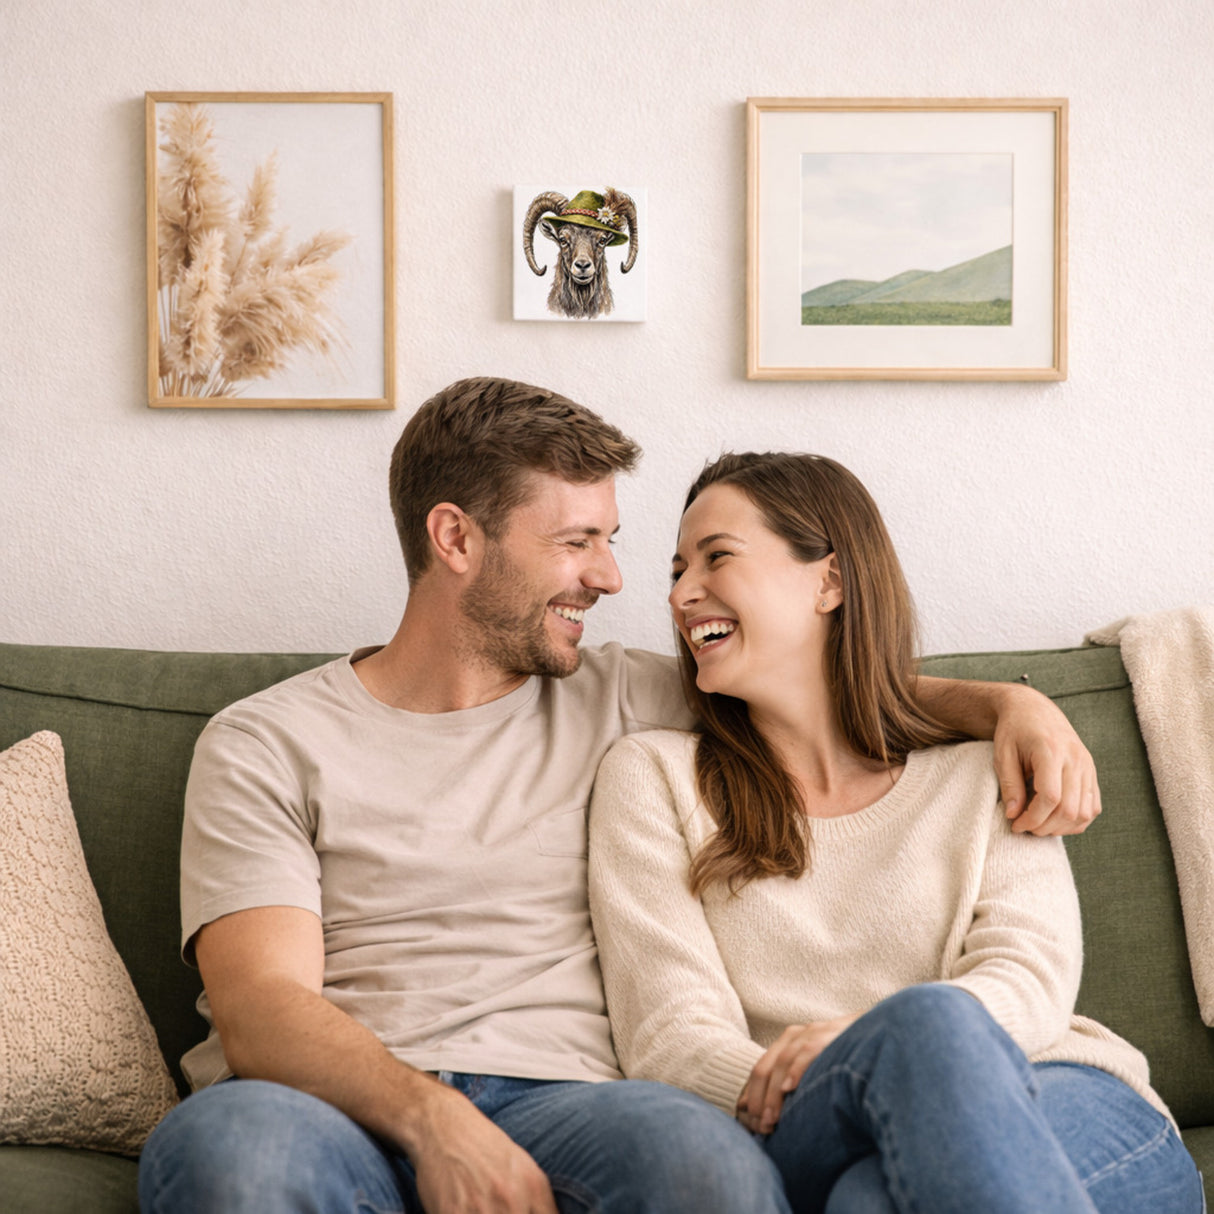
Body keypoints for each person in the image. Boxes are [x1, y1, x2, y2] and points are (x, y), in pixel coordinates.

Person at [139, 381, 1103, 1214]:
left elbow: (821, 681)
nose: (612, 577)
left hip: (571, 1101)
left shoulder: (627, 693)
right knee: (235, 1153)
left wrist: (1008, 703)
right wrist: (436, 1123)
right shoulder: (265, 739)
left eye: (614, 542)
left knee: (703, 1167)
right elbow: (262, 1006)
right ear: (455, 538)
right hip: (325, 1102)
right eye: (577, 542)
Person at [587, 450, 1203, 1214]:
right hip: (802, 1117)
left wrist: (890, 1042)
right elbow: (671, 1035)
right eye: (676, 572)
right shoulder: (653, 778)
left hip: (1056, 1089)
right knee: (921, 1027)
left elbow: (1030, 980)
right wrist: (868, 1058)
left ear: (831, 582)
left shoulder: (982, 770)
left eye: (716, 558)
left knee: (873, 1197)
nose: (681, 594)